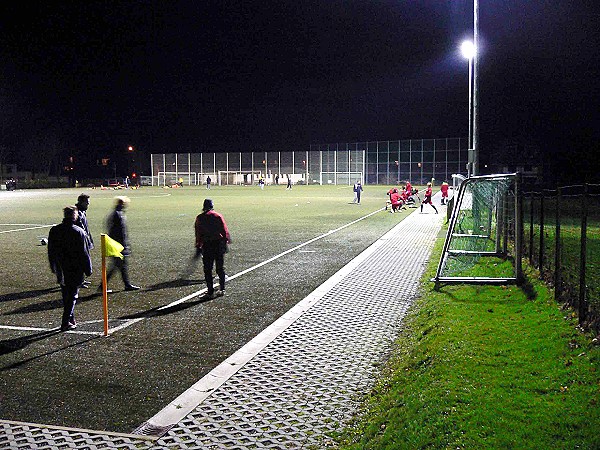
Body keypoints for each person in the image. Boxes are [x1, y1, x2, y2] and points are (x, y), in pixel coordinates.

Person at [48, 206, 92, 331]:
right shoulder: (78, 231)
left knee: (65, 294)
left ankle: (71, 318)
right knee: (72, 296)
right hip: (75, 268)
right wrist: (88, 269)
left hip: (61, 268)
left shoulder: (55, 230)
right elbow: (84, 253)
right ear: (74, 215)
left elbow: (51, 251)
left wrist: (53, 265)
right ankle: (65, 321)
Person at [195, 198, 231, 299]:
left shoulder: (200, 218)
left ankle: (210, 291)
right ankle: (222, 289)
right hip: (218, 244)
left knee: (208, 269)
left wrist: (198, 245)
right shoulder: (217, 216)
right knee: (220, 268)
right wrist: (226, 242)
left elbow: (198, 233)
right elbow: (224, 230)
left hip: (207, 245)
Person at [104, 196, 141, 291]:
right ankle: (103, 286)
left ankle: (126, 284)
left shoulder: (116, 213)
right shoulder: (118, 215)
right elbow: (120, 232)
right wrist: (123, 245)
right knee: (118, 266)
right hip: (118, 245)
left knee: (119, 266)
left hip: (117, 244)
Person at [75, 193, 94, 288]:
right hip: (79, 242)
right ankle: (79, 281)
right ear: (81, 202)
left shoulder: (81, 211)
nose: (88, 205)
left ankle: (81, 279)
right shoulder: (77, 212)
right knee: (80, 261)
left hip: (84, 240)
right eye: (87, 203)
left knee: (82, 261)